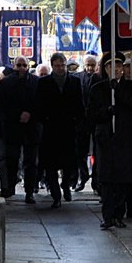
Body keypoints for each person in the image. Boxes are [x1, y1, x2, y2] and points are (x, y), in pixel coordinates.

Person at [87, 52, 132, 229]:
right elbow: (91, 115)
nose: (116, 70)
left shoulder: (131, 86)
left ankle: (119, 214)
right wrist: (106, 111)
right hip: (106, 139)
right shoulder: (97, 88)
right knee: (107, 180)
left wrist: (118, 90)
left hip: (125, 140)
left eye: (119, 66)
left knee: (122, 180)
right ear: (105, 69)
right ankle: (107, 216)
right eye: (111, 67)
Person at [35, 50, 85, 206]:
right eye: (57, 66)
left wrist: (78, 121)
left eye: (62, 65)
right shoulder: (44, 83)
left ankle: (66, 186)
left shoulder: (75, 82)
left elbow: (79, 104)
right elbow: (38, 105)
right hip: (51, 129)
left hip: (69, 128)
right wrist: (45, 119)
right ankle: (56, 195)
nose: (60, 68)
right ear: (52, 66)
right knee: (50, 164)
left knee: (69, 162)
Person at [0, 56, 39, 201]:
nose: (21, 68)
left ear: (28, 67)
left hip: (31, 127)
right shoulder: (6, 82)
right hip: (13, 126)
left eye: (24, 65)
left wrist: (29, 114)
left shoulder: (36, 81)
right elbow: (2, 105)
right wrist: (18, 115)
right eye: (18, 65)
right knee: (12, 159)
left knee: (30, 161)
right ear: (14, 67)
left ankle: (29, 191)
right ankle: (11, 186)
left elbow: (40, 103)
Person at [75, 53, 102, 194]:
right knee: (80, 151)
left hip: (96, 120)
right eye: (88, 65)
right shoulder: (77, 78)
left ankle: (96, 181)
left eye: (93, 65)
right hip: (82, 121)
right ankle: (83, 175)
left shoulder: (100, 79)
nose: (90, 68)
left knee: (97, 152)